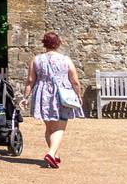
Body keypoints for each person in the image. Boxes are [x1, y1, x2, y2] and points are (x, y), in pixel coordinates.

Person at [24, 31, 84, 168]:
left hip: (42, 94)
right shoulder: (65, 59)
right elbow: (74, 81)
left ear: (44, 43)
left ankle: (55, 155)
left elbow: (30, 81)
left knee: (49, 127)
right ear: (58, 43)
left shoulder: (36, 59)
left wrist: (25, 97)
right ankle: (51, 153)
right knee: (60, 126)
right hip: (61, 95)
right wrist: (78, 96)